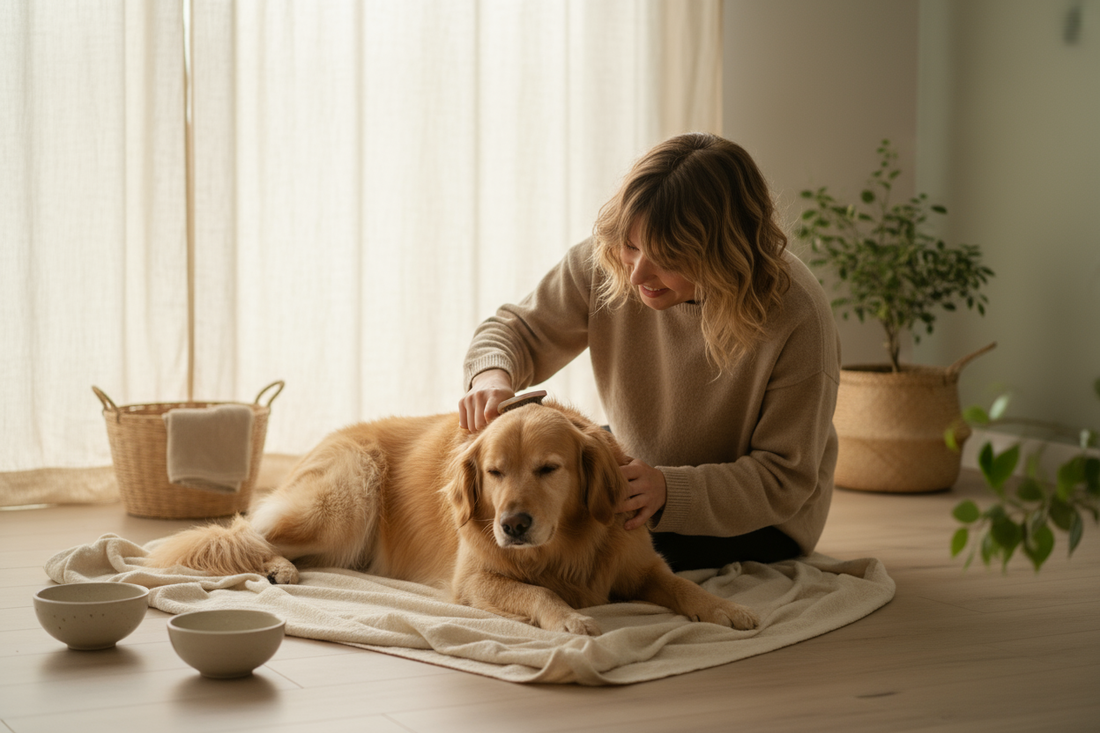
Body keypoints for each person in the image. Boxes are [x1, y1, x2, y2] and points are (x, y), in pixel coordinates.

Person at [457, 132, 840, 571]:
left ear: (727, 252)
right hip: (646, 474)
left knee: (586, 558)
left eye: (669, 256)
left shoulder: (797, 314)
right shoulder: (607, 262)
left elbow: (783, 479)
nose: (638, 273)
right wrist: (491, 376)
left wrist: (668, 490)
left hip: (761, 519)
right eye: (632, 245)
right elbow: (514, 330)